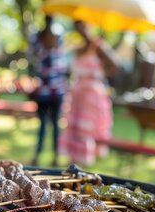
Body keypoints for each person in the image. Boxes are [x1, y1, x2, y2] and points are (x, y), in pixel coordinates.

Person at [63, 21, 118, 167]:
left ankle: (85, 163)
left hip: (91, 96)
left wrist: (98, 76)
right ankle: (73, 164)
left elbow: (114, 65)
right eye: (77, 25)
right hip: (78, 95)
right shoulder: (78, 48)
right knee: (75, 130)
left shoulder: (98, 45)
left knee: (86, 130)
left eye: (82, 25)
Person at [29, 16, 68, 167]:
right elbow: (33, 54)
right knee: (43, 125)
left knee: (55, 124)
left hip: (57, 89)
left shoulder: (58, 35)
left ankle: (56, 156)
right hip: (44, 91)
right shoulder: (38, 37)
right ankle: (38, 154)